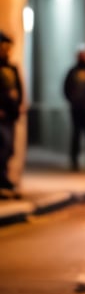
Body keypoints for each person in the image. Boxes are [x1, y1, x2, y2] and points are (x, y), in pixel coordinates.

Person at [0, 31, 23, 199]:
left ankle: (4, 178)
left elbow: (19, 88)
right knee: (2, 147)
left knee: (9, 148)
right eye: (4, 48)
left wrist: (19, 104)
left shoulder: (12, 68)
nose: (7, 51)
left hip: (11, 114)